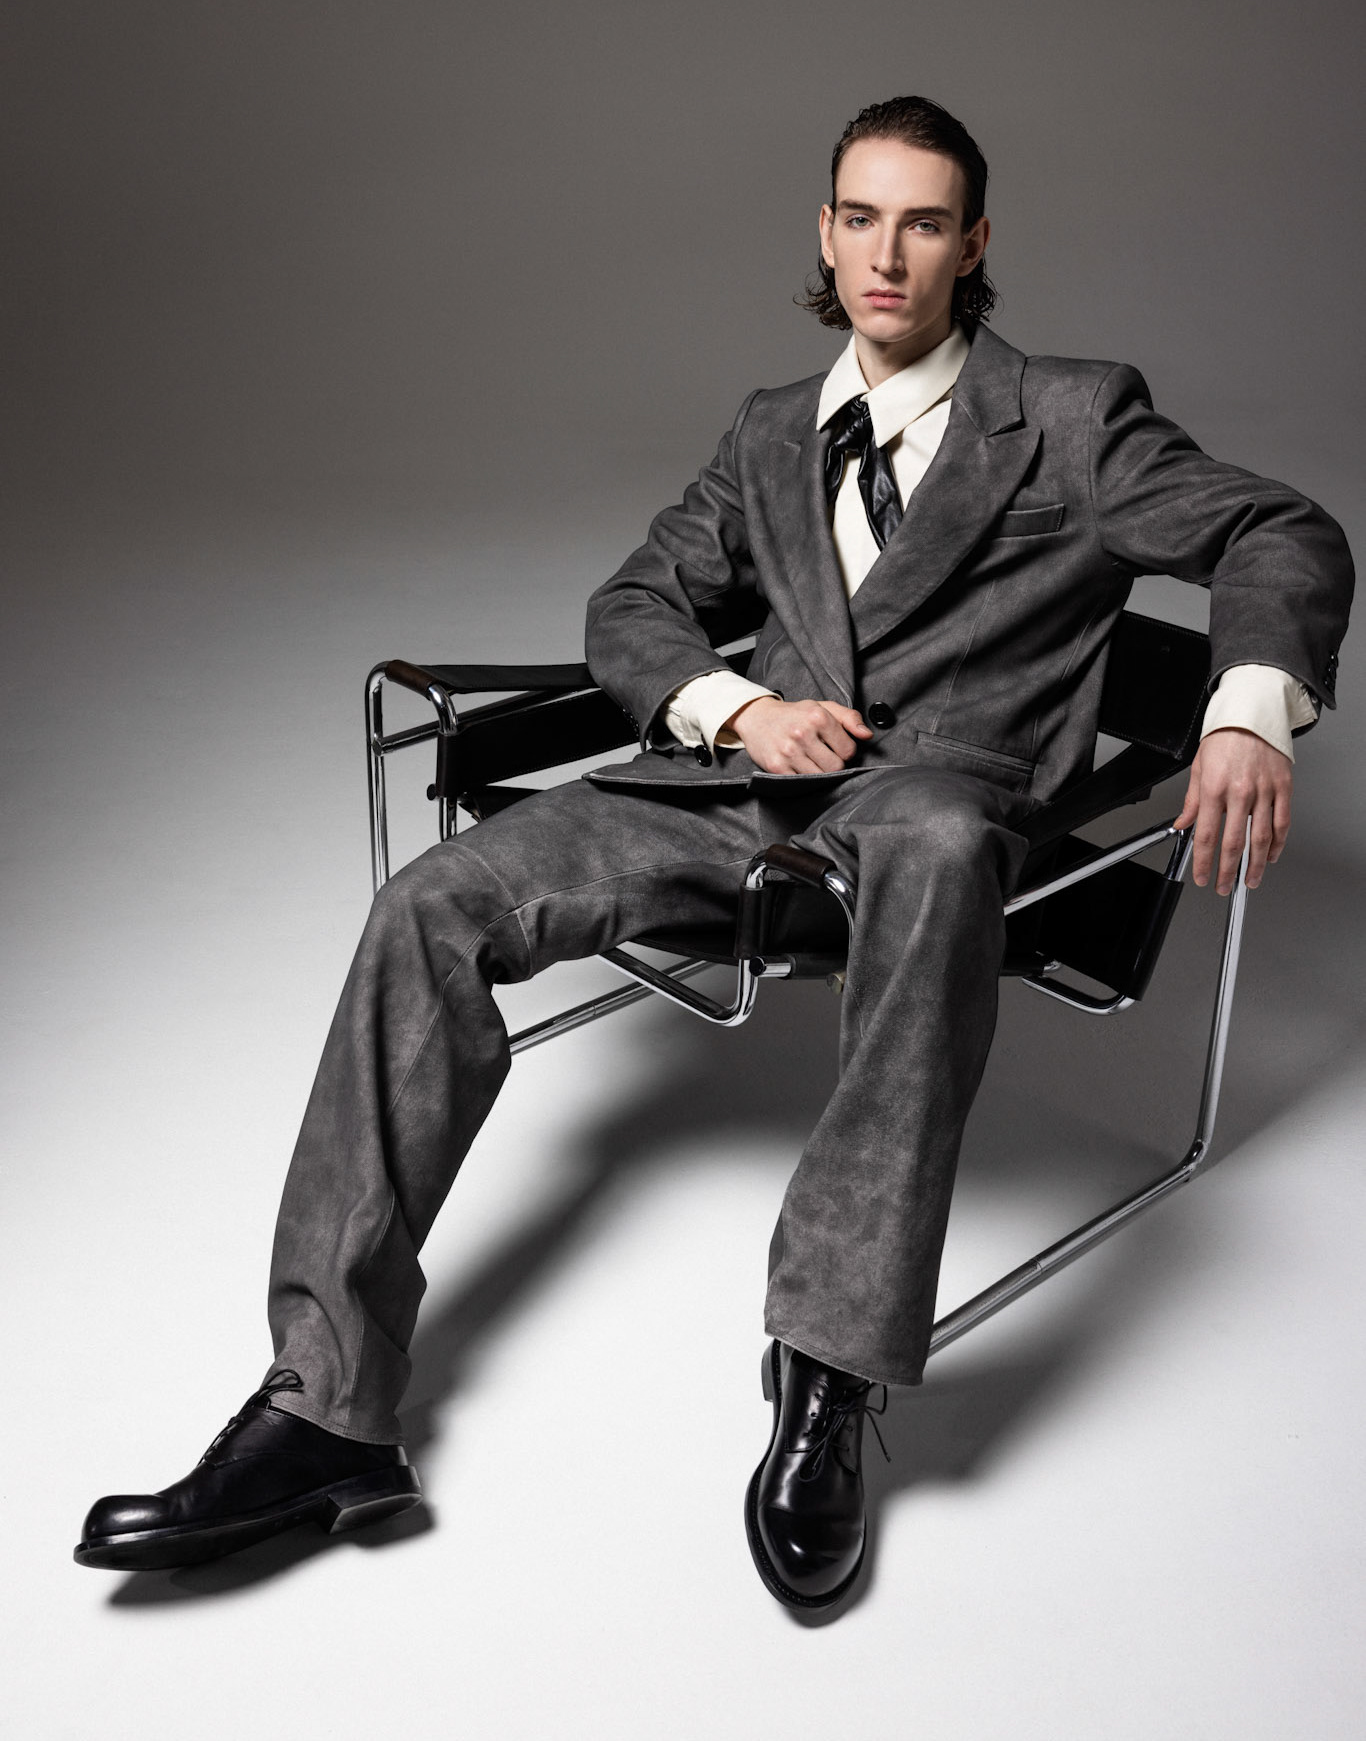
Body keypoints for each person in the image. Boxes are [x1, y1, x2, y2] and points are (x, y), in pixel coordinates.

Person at [75, 96, 1352, 1608]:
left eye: (924, 223)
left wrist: (1246, 712)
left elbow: (1281, 532)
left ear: (972, 245)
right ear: (825, 232)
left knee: (941, 843)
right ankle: (323, 1407)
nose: (888, 255)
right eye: (861, 219)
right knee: (433, 901)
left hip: (930, 817)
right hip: (737, 803)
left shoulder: (1067, 418)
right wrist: (736, 707)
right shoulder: (769, 431)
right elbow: (636, 604)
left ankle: (827, 1374)